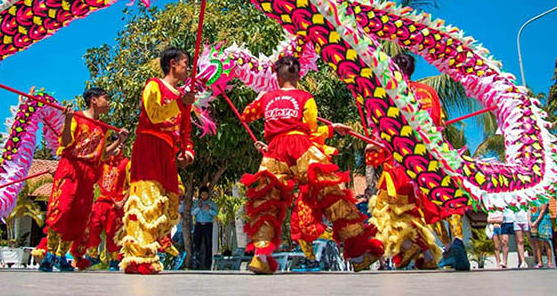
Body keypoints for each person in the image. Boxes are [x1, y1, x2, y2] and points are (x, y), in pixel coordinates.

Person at [239, 55, 383, 274]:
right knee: (333, 196)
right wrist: (333, 129)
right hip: (302, 148)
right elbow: (313, 131)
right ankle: (360, 255)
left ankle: (261, 256)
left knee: (266, 202)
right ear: (298, 75)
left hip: (274, 152)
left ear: (276, 75)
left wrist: (262, 96)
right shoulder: (305, 97)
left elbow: (246, 116)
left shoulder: (266, 98)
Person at [121, 47, 196, 274]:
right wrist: (180, 103)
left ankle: (150, 253)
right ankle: (137, 258)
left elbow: (185, 132)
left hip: (167, 153)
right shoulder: (154, 85)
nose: (188, 69)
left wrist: (187, 152)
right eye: (185, 64)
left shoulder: (184, 97)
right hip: (149, 146)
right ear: (173, 63)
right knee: (147, 199)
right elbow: (154, 114)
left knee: (167, 205)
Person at [392, 53, 470, 271]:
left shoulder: (393, 94)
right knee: (449, 198)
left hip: (413, 156)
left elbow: (391, 129)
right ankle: (458, 242)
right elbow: (441, 121)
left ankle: (447, 248)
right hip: (438, 151)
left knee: (428, 205)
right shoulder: (429, 91)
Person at [38, 87, 129, 272]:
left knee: (79, 216)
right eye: (106, 98)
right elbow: (65, 142)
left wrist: (119, 141)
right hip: (71, 168)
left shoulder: (103, 128)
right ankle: (49, 254)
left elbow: (102, 155)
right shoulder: (77, 118)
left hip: (88, 175)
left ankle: (62, 256)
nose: (109, 102)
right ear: (93, 100)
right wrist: (69, 119)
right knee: (62, 210)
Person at [83, 145, 131, 271]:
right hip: (101, 201)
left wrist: (122, 201)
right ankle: (93, 256)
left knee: (113, 235)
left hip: (116, 205)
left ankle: (115, 261)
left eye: (121, 144)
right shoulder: (103, 161)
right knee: (93, 228)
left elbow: (133, 184)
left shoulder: (127, 164)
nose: (118, 146)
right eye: (115, 142)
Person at [191, 186, 219, 270]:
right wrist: (198, 208)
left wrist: (209, 209)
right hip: (198, 225)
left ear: (208, 195)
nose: (204, 196)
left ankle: (208, 264)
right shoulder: (196, 203)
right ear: (200, 195)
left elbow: (216, 213)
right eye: (202, 194)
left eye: (205, 194)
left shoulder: (211, 203)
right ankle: (196, 264)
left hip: (208, 225)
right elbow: (192, 213)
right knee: (196, 244)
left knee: (208, 244)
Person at [529, 203, 554, 268]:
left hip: (543, 221)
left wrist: (536, 222)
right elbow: (529, 210)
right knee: (536, 242)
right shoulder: (532, 200)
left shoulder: (543, 199)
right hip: (533, 221)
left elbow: (542, 211)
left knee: (545, 241)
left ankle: (550, 262)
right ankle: (540, 262)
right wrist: (529, 221)